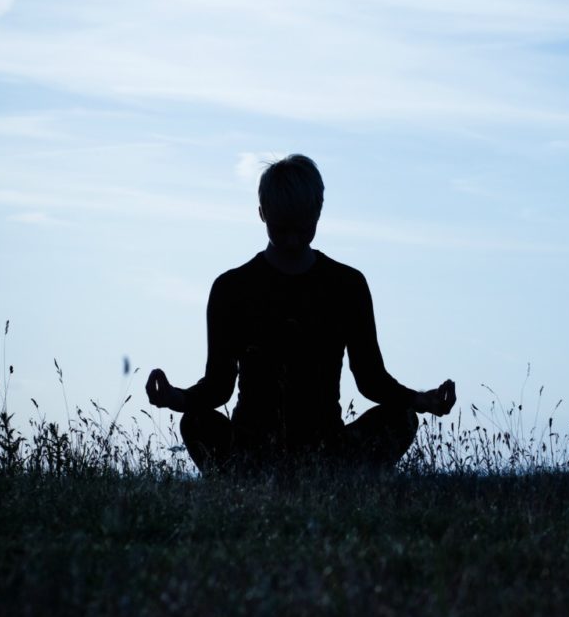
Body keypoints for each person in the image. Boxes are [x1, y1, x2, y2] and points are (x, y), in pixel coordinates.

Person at [146, 154, 455, 475]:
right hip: (252, 450)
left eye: (302, 226)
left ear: (318, 214)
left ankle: (313, 481)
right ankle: (289, 481)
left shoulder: (348, 285)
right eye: (282, 228)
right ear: (263, 214)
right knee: (196, 421)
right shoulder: (231, 289)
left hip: (328, 449)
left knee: (400, 417)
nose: (292, 240)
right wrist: (175, 398)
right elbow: (217, 386)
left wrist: (420, 401)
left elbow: (371, 380)